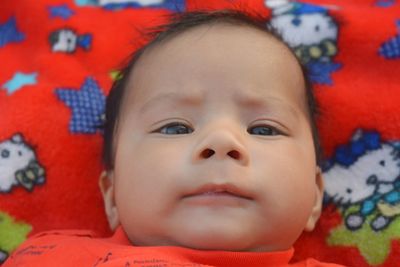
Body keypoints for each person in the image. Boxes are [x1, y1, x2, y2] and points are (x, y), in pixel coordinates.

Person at [4, 10, 345, 267]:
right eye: (175, 128)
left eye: (263, 129)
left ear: (315, 195)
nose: (222, 142)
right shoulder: (51, 256)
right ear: (112, 194)